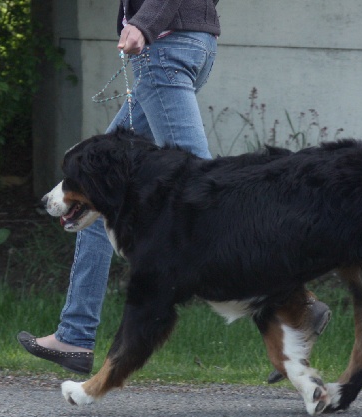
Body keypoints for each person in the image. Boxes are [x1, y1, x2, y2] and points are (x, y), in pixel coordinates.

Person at [17, 0, 221, 374]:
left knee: (206, 195)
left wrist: (144, 23)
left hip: (165, 47)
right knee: (95, 196)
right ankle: (75, 335)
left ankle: (286, 300)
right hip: (186, 44)